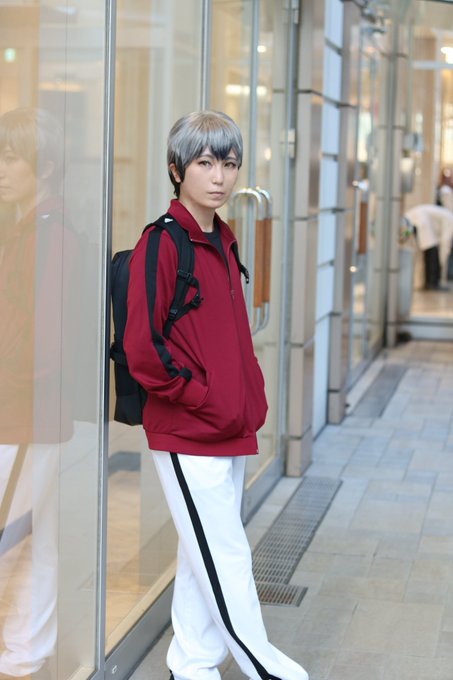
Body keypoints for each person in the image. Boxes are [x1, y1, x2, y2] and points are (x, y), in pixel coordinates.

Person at [124, 111, 309, 680]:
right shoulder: (162, 242)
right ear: (177, 169)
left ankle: (191, 665)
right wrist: (201, 396)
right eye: (205, 163)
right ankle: (264, 667)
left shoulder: (223, 239)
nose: (220, 177)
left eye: (229, 163)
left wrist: (248, 395)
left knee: (198, 552)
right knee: (224, 553)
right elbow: (143, 348)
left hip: (229, 424)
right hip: (188, 430)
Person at [0, 107, 72, 679]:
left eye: (10, 158)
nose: (1, 170)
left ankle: (24, 654)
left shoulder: (48, 235)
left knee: (13, 537)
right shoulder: (28, 229)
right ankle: (25, 654)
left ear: (44, 167)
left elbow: (45, 346)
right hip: (28, 413)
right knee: (33, 536)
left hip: (23, 414)